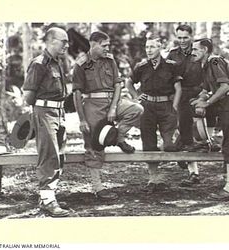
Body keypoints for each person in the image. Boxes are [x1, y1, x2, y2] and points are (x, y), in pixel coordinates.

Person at [72, 31, 143, 200]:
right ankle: (98, 188)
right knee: (94, 145)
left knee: (136, 110)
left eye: (108, 45)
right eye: (104, 45)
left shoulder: (110, 60)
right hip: (92, 106)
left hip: (114, 102)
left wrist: (113, 109)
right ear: (93, 44)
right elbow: (76, 93)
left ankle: (118, 138)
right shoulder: (81, 64)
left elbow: (118, 85)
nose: (107, 48)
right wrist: (82, 119)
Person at [190, 38, 229, 199]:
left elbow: (224, 86)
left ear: (205, 50)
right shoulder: (205, 66)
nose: (192, 52)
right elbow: (206, 89)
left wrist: (207, 103)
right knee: (192, 106)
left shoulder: (214, 61)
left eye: (196, 49)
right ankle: (206, 142)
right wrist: (200, 100)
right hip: (224, 101)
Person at [23, 27, 70, 217]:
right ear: (51, 41)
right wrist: (40, 114)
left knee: (59, 155)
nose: (67, 45)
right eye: (63, 41)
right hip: (44, 113)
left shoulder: (57, 63)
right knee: (49, 156)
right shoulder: (39, 63)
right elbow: (28, 96)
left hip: (59, 112)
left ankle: (48, 196)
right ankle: (48, 201)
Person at [126, 35, 182, 191]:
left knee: (168, 145)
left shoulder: (171, 66)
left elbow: (178, 89)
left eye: (152, 47)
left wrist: (174, 107)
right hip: (147, 107)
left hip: (166, 106)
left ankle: (176, 151)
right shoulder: (141, 66)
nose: (149, 50)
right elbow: (129, 82)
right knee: (149, 143)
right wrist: (136, 96)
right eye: (147, 47)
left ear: (160, 48)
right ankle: (154, 178)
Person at [167, 24, 219, 187]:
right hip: (181, 94)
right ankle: (193, 172)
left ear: (191, 36)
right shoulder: (172, 54)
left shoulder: (199, 51)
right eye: (179, 37)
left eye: (185, 37)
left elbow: (209, 75)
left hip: (200, 92)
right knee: (186, 127)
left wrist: (203, 97)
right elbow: (169, 76)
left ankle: (208, 140)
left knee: (212, 111)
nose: (182, 41)